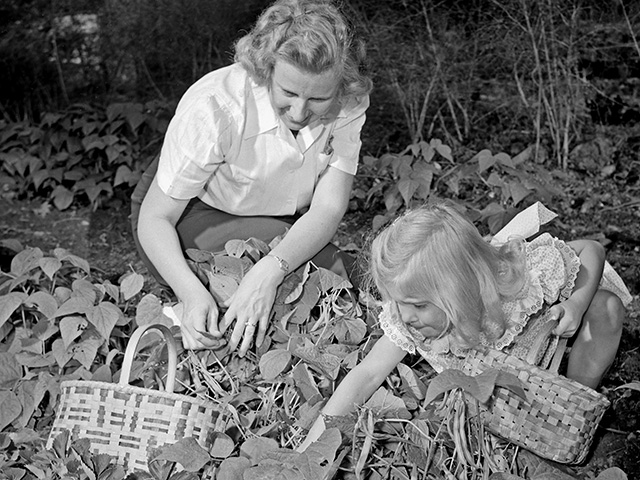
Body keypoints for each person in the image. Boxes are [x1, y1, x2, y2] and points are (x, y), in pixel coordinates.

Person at [130, 0, 372, 356]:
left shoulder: (350, 101)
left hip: (271, 216)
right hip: (186, 213)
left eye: (318, 98)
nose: (300, 112)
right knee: (329, 273)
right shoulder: (216, 105)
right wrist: (192, 293)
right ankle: (178, 316)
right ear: (266, 69)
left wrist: (268, 272)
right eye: (288, 93)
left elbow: (327, 211)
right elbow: (154, 219)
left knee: (333, 279)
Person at [298, 201, 631, 451]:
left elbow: (592, 249)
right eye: (396, 301)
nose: (404, 315)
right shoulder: (409, 319)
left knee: (606, 307)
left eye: (417, 305)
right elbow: (367, 373)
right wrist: (314, 445)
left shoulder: (518, 279)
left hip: (548, 365)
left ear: (458, 291)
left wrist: (576, 304)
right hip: (493, 397)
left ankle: (570, 406)